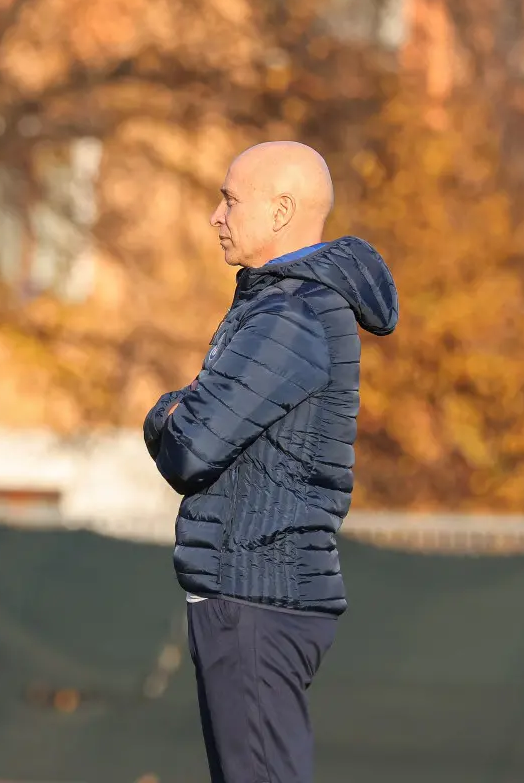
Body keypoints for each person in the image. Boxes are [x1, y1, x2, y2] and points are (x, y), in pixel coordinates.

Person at [142, 142, 398, 783]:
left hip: (258, 594)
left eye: (229, 198)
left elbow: (190, 446)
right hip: (256, 595)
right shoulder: (280, 304)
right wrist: (183, 410)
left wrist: (164, 412)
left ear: (282, 210)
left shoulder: (291, 315)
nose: (214, 216)